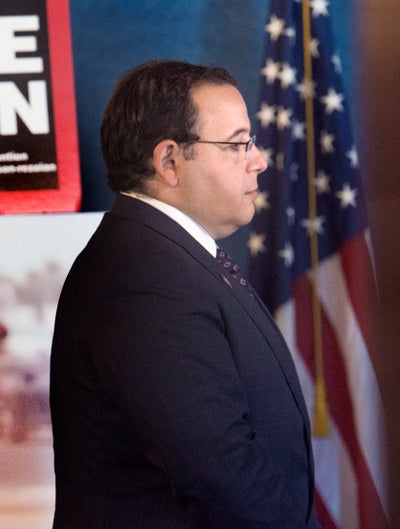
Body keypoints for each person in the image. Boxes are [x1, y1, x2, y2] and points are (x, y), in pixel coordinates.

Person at [50, 60, 320, 529]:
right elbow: (222, 476)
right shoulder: (144, 279)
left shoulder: (163, 258)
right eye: (237, 145)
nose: (258, 160)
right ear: (169, 161)